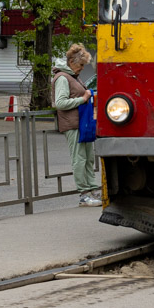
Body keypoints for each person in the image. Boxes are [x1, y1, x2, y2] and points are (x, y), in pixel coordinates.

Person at [52, 43, 101, 207]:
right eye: (81, 65)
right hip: (72, 124)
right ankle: (84, 194)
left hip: (81, 124)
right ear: (72, 62)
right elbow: (60, 103)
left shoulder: (71, 76)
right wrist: (83, 99)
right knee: (79, 159)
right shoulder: (63, 78)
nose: (82, 68)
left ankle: (92, 190)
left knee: (88, 158)